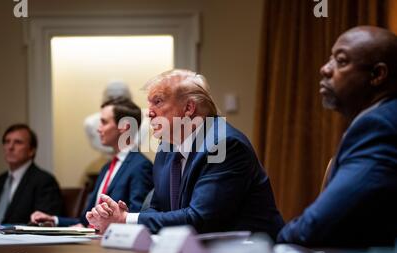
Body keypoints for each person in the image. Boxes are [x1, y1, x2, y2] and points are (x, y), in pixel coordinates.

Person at [86, 69, 284, 237]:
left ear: (189, 108)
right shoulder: (167, 147)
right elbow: (156, 208)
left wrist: (127, 219)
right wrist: (126, 218)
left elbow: (200, 220)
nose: (149, 112)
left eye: (158, 101)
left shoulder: (224, 144)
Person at [277, 26, 397, 247]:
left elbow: (318, 226)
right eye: (330, 59)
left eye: (341, 61)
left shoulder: (380, 126)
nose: (324, 69)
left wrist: (273, 244)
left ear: (377, 75)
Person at [31, 97, 153, 227]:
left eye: (104, 122)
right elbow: (85, 221)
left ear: (125, 127)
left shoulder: (141, 166)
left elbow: (136, 217)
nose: (98, 129)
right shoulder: (106, 168)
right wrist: (54, 220)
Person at [0, 124, 62, 224]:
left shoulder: (45, 181)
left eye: (18, 142)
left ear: (31, 150)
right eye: (7, 142)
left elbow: (43, 222)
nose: (10, 147)